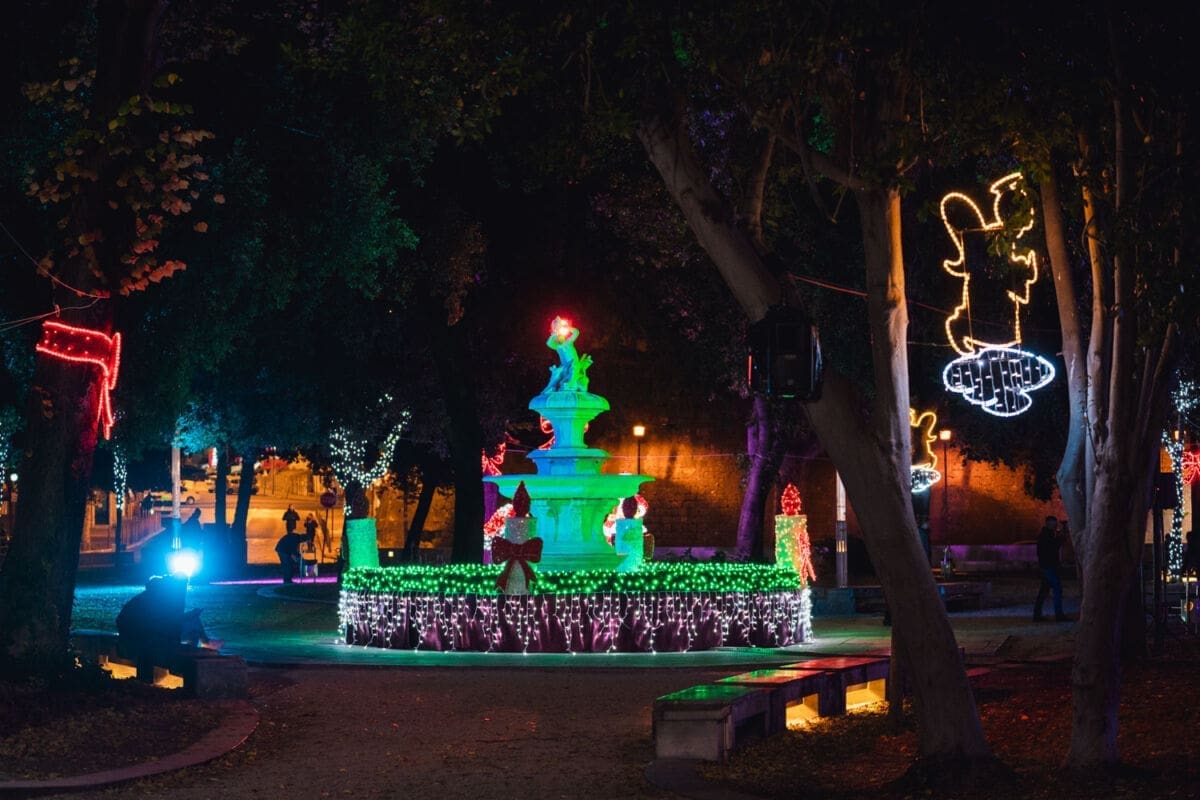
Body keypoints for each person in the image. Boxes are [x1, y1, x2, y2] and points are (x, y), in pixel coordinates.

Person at [116, 575, 222, 652]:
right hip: (148, 639)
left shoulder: (141, 599)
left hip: (135, 637)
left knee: (193, 623)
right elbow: (167, 621)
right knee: (194, 624)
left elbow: (164, 620)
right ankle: (200, 646)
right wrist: (190, 615)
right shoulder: (155, 601)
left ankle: (202, 644)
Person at [1034, 515, 1067, 622]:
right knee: (1057, 588)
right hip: (1049, 566)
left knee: (1044, 590)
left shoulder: (1046, 535)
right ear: (1049, 524)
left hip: (1046, 565)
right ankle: (1059, 614)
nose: (1056, 526)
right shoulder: (1047, 536)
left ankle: (1037, 615)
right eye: (1054, 524)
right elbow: (1053, 548)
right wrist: (1060, 538)